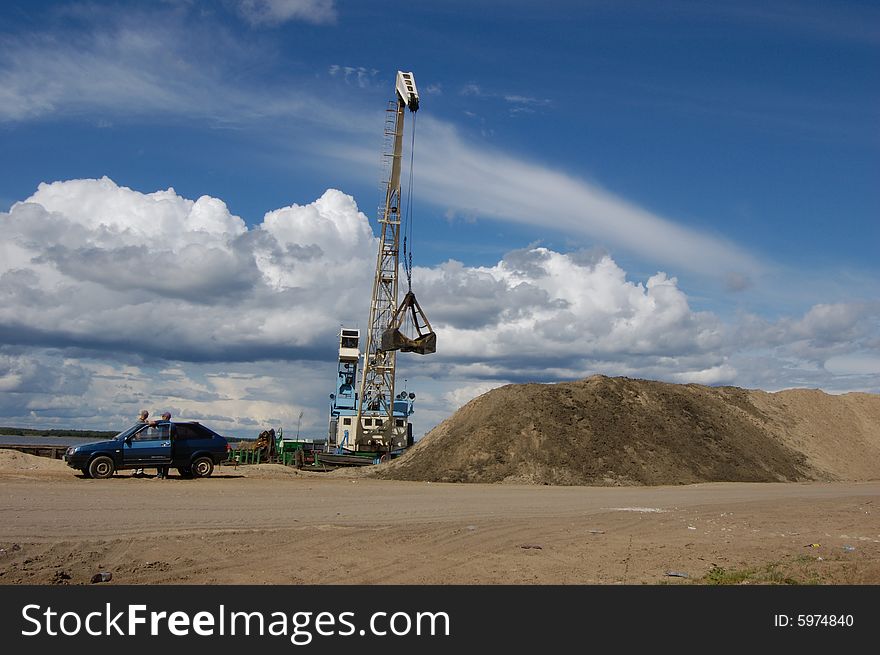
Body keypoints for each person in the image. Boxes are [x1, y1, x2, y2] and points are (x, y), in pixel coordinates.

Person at [153, 412, 172, 479]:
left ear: (165, 417)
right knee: (166, 461)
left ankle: (159, 474)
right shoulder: (171, 425)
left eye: (162, 416)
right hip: (168, 445)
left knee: (159, 459)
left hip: (161, 444)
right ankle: (165, 475)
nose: (162, 417)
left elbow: (152, 423)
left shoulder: (162, 422)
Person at [132, 410, 149, 477]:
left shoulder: (141, 422)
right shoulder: (140, 423)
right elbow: (138, 434)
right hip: (139, 442)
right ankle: (138, 471)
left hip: (138, 442)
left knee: (138, 457)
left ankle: (136, 471)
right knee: (139, 457)